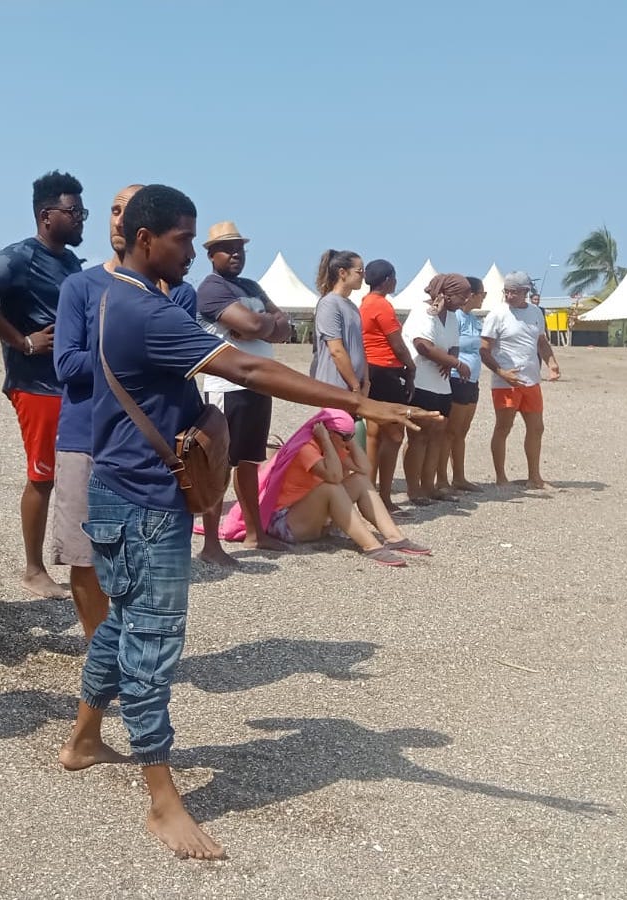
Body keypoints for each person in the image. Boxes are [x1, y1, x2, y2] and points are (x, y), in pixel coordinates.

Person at [58, 185, 439, 860]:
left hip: (123, 493)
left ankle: (85, 738)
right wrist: (361, 403)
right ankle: (162, 800)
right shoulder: (146, 309)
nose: (194, 252)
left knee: (120, 624)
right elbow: (246, 364)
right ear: (146, 240)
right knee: (152, 647)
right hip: (147, 505)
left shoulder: (115, 292)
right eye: (182, 238)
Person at [52, 184, 197, 639]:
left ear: (145, 229)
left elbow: (186, 363)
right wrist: (129, 354)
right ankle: (103, 653)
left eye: (127, 210)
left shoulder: (179, 292)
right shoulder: (79, 285)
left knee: (144, 558)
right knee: (84, 556)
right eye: (113, 209)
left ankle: (135, 650)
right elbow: (64, 363)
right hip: (84, 438)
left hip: (149, 445)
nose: (118, 218)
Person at [0, 172, 85, 599]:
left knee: (78, 473)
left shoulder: (70, 262)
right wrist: (22, 341)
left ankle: (79, 561)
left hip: (70, 383)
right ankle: (34, 569)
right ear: (46, 215)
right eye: (74, 212)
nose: (81, 219)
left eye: (82, 211)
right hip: (37, 385)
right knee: (43, 476)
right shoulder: (21, 256)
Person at [196, 221, 292, 566]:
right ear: (211, 254)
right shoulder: (211, 289)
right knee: (217, 466)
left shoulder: (250, 285)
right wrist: (262, 324)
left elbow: (283, 328)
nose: (236, 254)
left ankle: (255, 533)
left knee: (250, 460)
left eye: (240, 248)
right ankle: (210, 543)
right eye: (228, 249)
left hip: (257, 385)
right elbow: (260, 325)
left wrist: (260, 326)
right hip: (227, 387)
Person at [219, 409, 431, 565]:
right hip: (284, 522)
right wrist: (327, 441)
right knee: (331, 486)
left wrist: (348, 441)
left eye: (351, 435)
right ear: (326, 433)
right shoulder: (307, 448)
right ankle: (371, 546)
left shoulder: (337, 444)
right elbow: (333, 475)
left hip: (307, 515)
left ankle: (395, 537)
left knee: (359, 481)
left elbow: (364, 471)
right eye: (344, 436)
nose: (348, 440)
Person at [481, 271, 561, 488]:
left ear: (525, 292)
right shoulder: (497, 314)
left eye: (514, 292)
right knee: (504, 427)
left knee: (537, 428)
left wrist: (551, 363)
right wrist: (501, 372)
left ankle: (534, 477)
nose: (509, 295)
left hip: (531, 380)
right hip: (506, 382)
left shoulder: (535, 312)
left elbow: (541, 342)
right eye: (506, 291)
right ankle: (501, 477)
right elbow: (485, 350)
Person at [401, 274, 471, 505]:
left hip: (441, 385)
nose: (466, 299)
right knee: (419, 436)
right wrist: (456, 364)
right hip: (420, 381)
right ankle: (414, 489)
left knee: (437, 436)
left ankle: (430, 486)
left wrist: (451, 359)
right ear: (447, 294)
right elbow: (423, 345)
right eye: (462, 295)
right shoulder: (423, 312)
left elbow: (453, 346)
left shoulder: (451, 316)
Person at [358, 259, 416, 516]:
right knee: (394, 435)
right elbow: (397, 343)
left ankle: (369, 493)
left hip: (370, 370)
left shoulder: (364, 304)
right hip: (386, 370)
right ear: (387, 280)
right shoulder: (382, 305)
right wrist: (411, 367)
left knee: (373, 434)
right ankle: (383, 496)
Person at [436, 276, 485, 493]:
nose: (483, 298)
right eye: (482, 294)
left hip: (472, 380)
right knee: (449, 431)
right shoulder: (456, 318)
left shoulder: (474, 320)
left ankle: (459, 476)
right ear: (471, 295)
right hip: (456, 378)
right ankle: (442, 478)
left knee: (461, 432)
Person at [310, 250, 368, 393]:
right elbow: (336, 349)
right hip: (335, 386)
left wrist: (366, 381)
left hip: (355, 386)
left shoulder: (352, 306)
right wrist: (355, 385)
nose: (363, 276)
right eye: (359, 271)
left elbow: (361, 347)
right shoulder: (329, 304)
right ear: (343, 273)